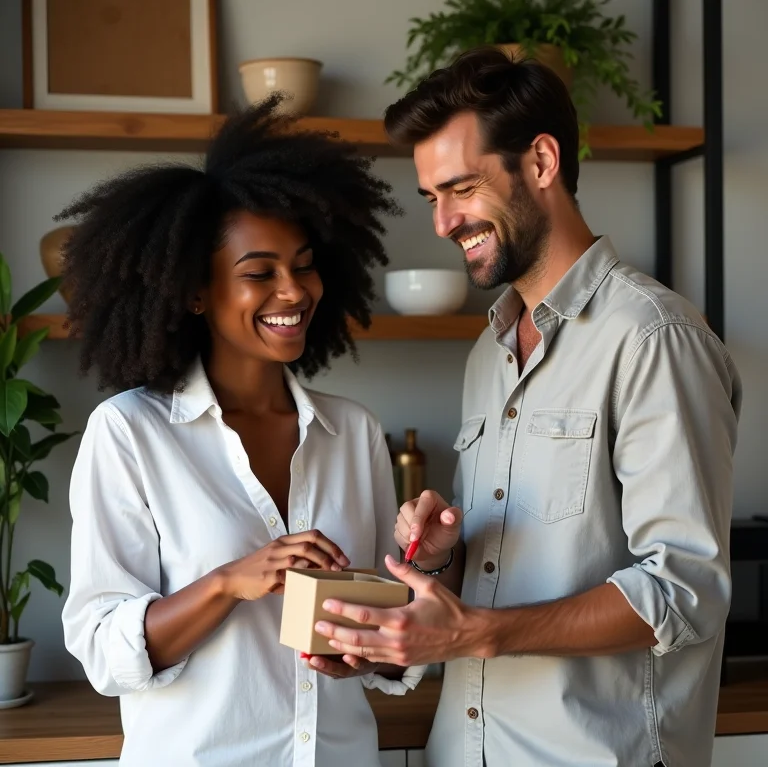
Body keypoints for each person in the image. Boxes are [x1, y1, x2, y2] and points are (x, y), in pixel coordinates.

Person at [313, 48, 742, 767]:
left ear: (541, 162)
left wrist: (476, 632)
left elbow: (685, 588)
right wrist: (444, 566)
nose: (444, 222)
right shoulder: (490, 355)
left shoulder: (653, 338)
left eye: (461, 189)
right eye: (431, 198)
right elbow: (499, 585)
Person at [59, 95, 424, 767]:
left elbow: (383, 638)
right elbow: (106, 653)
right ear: (197, 292)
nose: (294, 291)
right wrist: (230, 581)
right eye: (259, 273)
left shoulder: (352, 431)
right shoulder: (130, 434)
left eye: (304, 264)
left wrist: (371, 637)